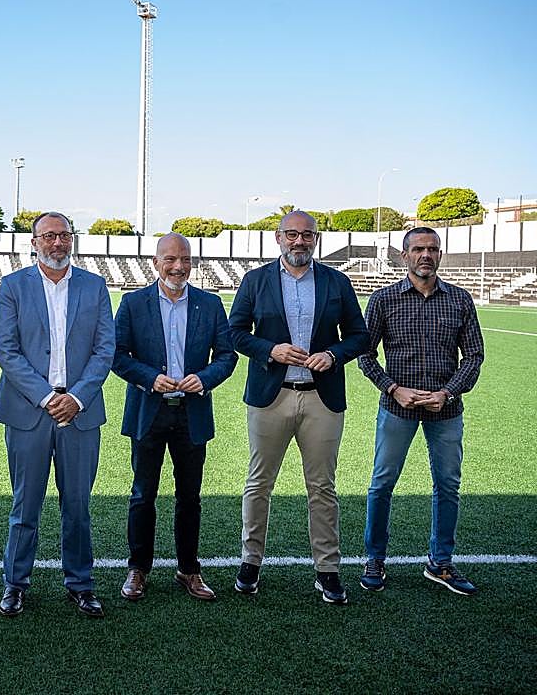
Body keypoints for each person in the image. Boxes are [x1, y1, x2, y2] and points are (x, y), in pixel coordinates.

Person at [228, 210, 369, 604]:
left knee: (322, 487)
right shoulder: (255, 281)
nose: (299, 241)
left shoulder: (336, 282)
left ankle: (327, 569)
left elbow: (359, 335)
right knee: (259, 483)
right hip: (270, 396)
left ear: (316, 239)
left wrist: (334, 355)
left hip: (321, 398)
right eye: (291, 234)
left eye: (307, 235)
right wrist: (270, 349)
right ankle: (250, 562)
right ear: (278, 238)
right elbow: (235, 332)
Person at [0, 211, 115, 618]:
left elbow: (104, 350)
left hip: (79, 412)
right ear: (34, 242)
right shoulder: (13, 286)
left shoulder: (95, 287)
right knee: (25, 504)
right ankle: (15, 583)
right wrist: (47, 397)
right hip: (30, 411)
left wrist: (76, 397)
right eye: (48, 236)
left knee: (77, 505)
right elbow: (6, 350)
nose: (57, 243)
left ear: (72, 239)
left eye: (63, 235)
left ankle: (80, 584)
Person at [357, 226, 485, 595]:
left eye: (432, 249)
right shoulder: (383, 300)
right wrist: (393, 389)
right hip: (397, 408)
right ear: (404, 255)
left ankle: (440, 563)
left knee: (447, 485)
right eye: (417, 249)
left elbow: (474, 355)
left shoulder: (460, 300)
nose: (425, 255)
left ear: (440, 254)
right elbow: (365, 353)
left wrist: (448, 392)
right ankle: (375, 559)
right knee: (382, 484)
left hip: (446, 410)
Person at [111, 233, 237, 602]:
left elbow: (227, 355)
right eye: (170, 259)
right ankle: (138, 569)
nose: (178, 267)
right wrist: (150, 378)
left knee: (190, 498)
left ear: (192, 263)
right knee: (142, 495)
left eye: (184, 260)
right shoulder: (133, 303)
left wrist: (206, 378)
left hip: (191, 414)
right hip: (148, 413)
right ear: (156, 262)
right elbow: (117, 355)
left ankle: (189, 570)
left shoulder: (210, 304)